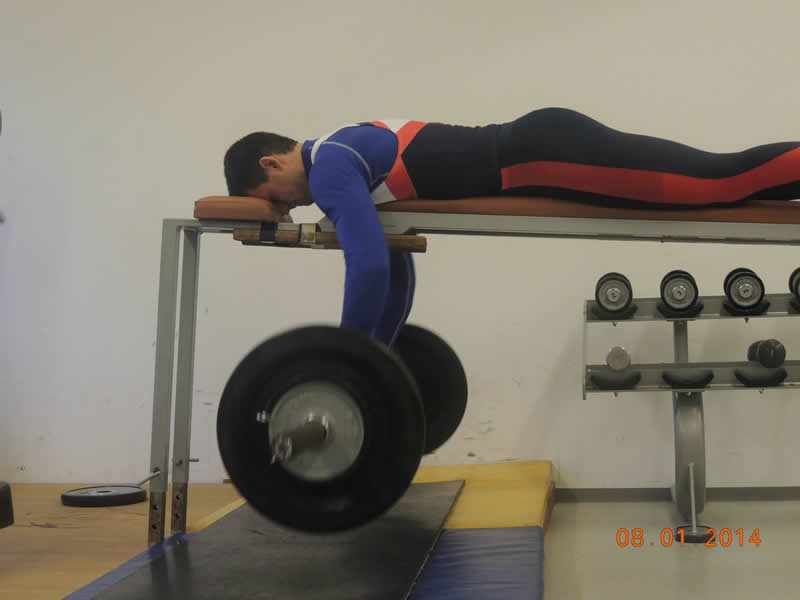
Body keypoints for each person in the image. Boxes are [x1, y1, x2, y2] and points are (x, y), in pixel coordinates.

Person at [223, 107, 800, 346]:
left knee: (719, 182)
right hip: (544, 149)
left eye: (274, 200)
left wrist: (343, 360)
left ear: (271, 164)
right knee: (726, 183)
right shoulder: (340, 158)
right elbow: (391, 268)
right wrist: (375, 356)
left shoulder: (329, 167)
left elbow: (369, 265)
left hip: (546, 152)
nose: (288, 210)